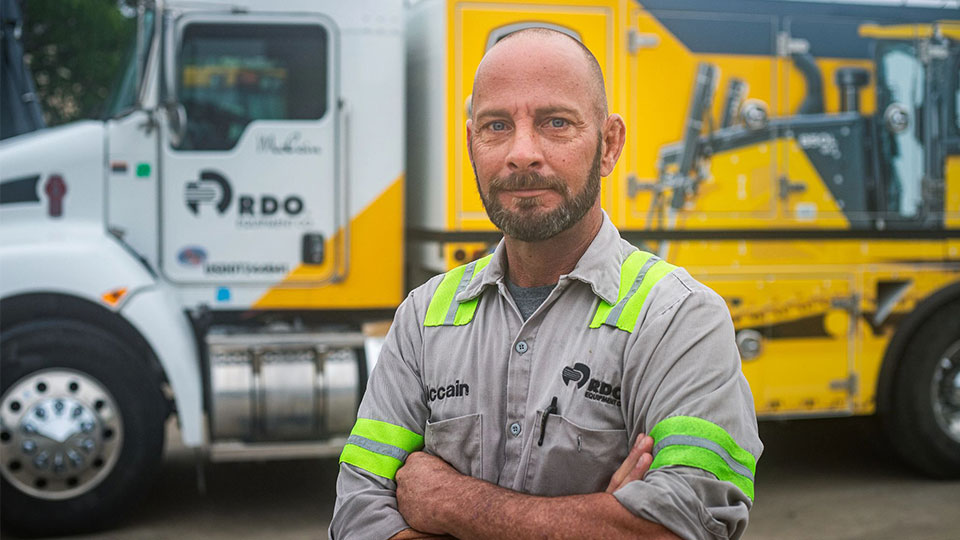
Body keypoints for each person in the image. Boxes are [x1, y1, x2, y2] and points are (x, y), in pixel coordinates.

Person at [330, 28, 762, 540]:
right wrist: (600, 515)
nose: (522, 153)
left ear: (609, 145)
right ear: (472, 144)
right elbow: (356, 518)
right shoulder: (423, 317)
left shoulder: (678, 318)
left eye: (556, 123)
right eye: (496, 125)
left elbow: (682, 527)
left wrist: (454, 505)